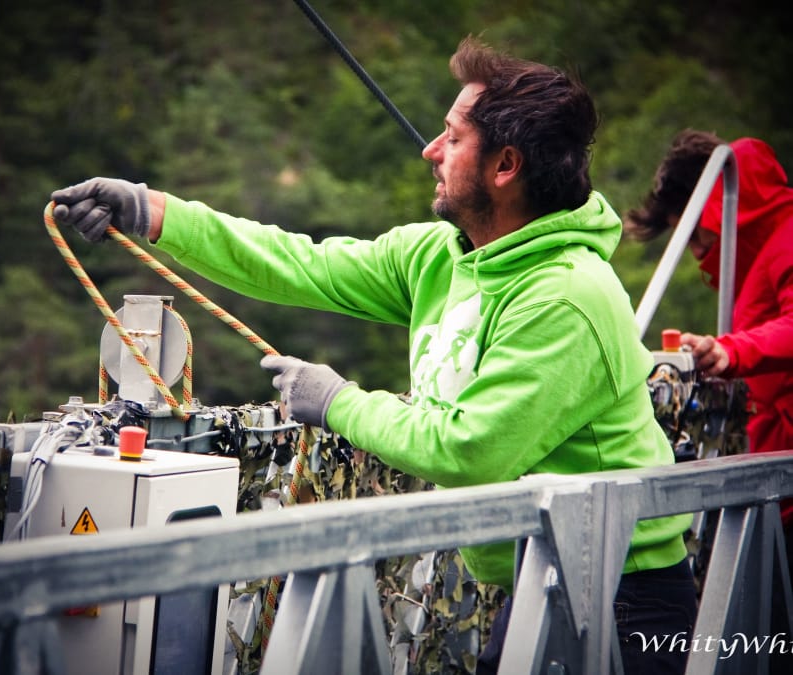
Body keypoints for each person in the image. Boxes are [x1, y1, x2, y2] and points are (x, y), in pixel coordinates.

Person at [52, 37, 695, 673]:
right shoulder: (441, 254)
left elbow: (469, 450)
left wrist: (339, 403)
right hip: (548, 572)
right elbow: (302, 264)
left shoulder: (566, 296)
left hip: (623, 599)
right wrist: (154, 211)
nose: (430, 150)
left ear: (505, 166)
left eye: (452, 137)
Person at [626, 130, 793, 672]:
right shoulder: (761, 254)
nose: (699, 255)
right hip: (774, 483)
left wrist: (731, 349)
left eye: (696, 236)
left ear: (718, 212)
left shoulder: (787, 238)